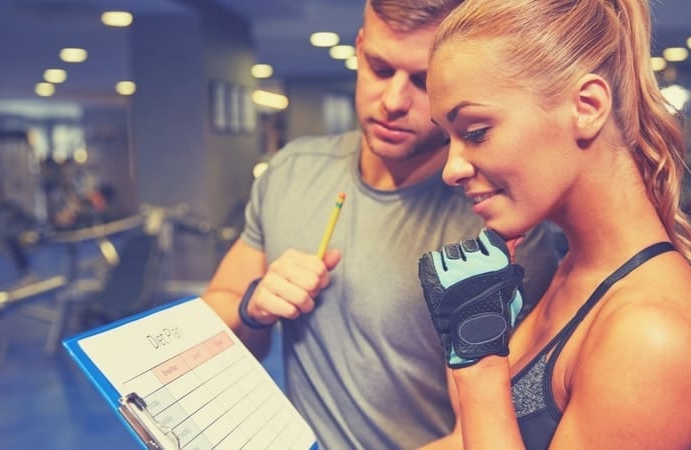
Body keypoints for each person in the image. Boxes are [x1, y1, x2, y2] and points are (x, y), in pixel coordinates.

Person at [200, 1, 559, 449]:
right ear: (360, 47)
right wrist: (254, 308)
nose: (393, 102)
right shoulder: (293, 170)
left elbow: (482, 435)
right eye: (379, 68)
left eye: (422, 80)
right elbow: (216, 318)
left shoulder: (501, 230)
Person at [420, 0, 691, 448]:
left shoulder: (654, 334)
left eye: (476, 131)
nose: (451, 169)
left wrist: (479, 359)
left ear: (586, 107)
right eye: (448, 137)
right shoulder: (576, 270)